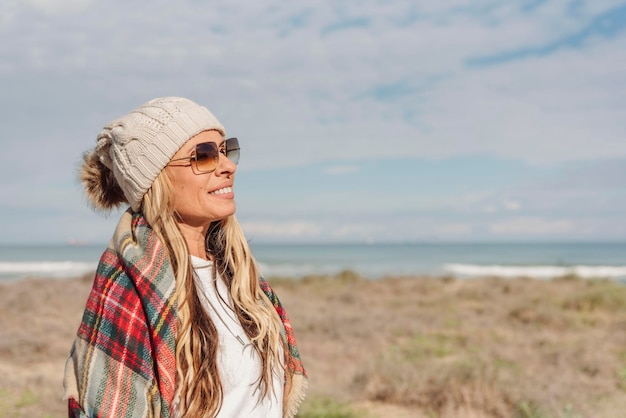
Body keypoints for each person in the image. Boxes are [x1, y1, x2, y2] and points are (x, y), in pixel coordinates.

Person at [63, 97, 307, 418]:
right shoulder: (131, 292)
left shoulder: (240, 275)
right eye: (204, 156)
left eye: (225, 150)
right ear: (158, 180)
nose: (228, 166)